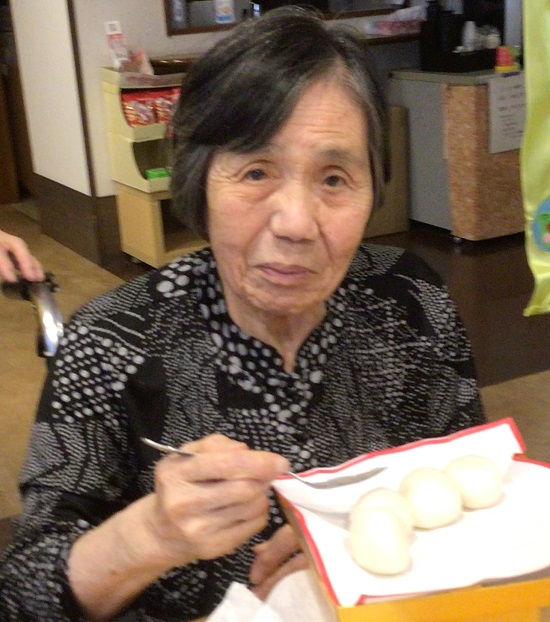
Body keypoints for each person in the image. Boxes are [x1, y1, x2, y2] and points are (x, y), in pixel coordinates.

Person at [0, 7, 485, 621]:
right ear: (201, 182)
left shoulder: (408, 301)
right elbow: (22, 595)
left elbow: (478, 495)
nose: (296, 224)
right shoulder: (111, 341)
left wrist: (349, 562)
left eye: (334, 179)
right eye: (256, 171)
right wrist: (147, 534)